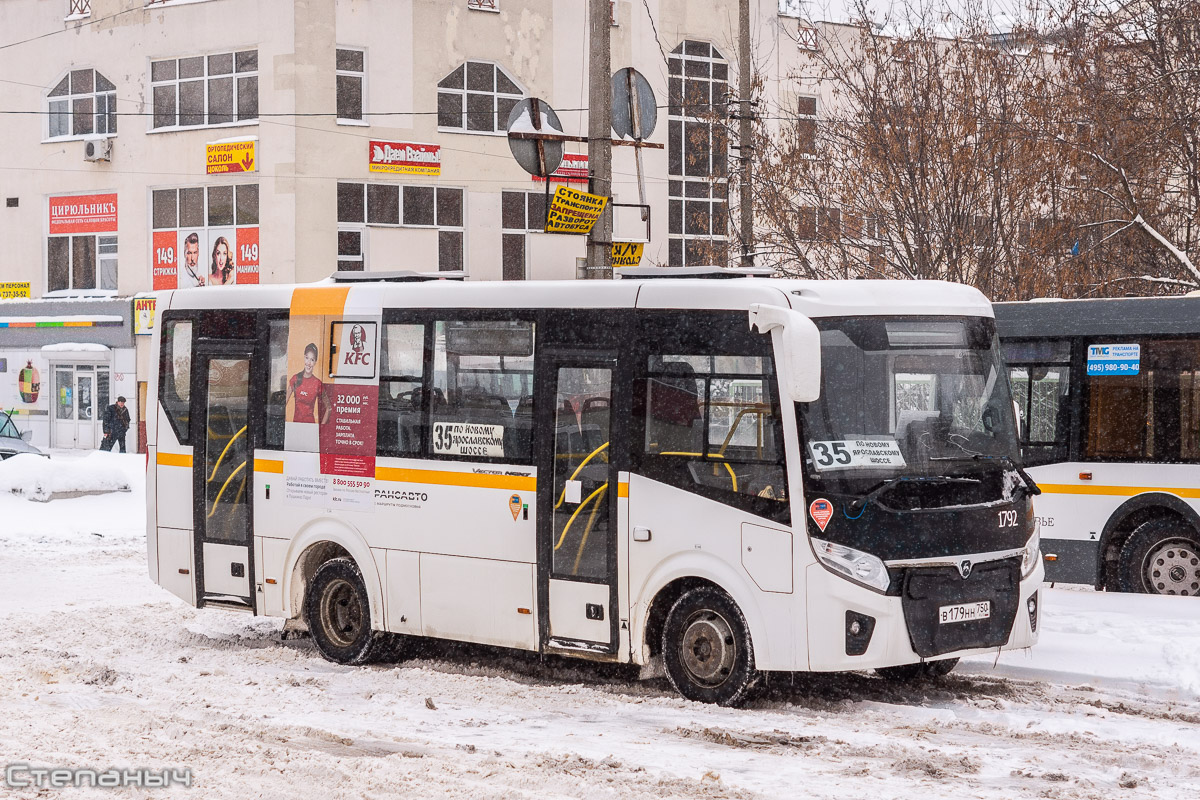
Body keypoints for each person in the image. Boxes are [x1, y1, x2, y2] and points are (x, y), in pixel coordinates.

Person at [286, 343, 329, 424]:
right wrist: (283, 423)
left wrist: (322, 427)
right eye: (307, 358)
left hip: (310, 427)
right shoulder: (295, 378)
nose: (309, 363)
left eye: (312, 360)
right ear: (304, 358)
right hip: (295, 426)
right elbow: (283, 404)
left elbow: (328, 408)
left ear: (315, 362)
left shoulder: (317, 383)